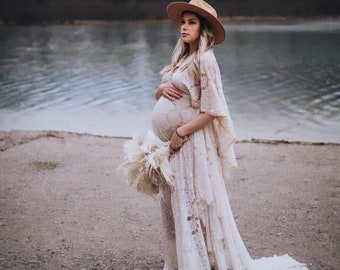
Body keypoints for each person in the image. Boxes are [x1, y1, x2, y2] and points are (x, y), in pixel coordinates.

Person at [151, 0, 308, 269]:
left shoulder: (206, 59)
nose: (184, 27)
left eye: (192, 22)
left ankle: (199, 261)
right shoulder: (182, 58)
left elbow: (214, 110)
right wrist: (160, 91)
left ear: (204, 29)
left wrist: (180, 132)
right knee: (175, 203)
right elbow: (168, 94)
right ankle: (184, 260)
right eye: (183, 22)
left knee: (193, 202)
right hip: (174, 143)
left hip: (190, 142)